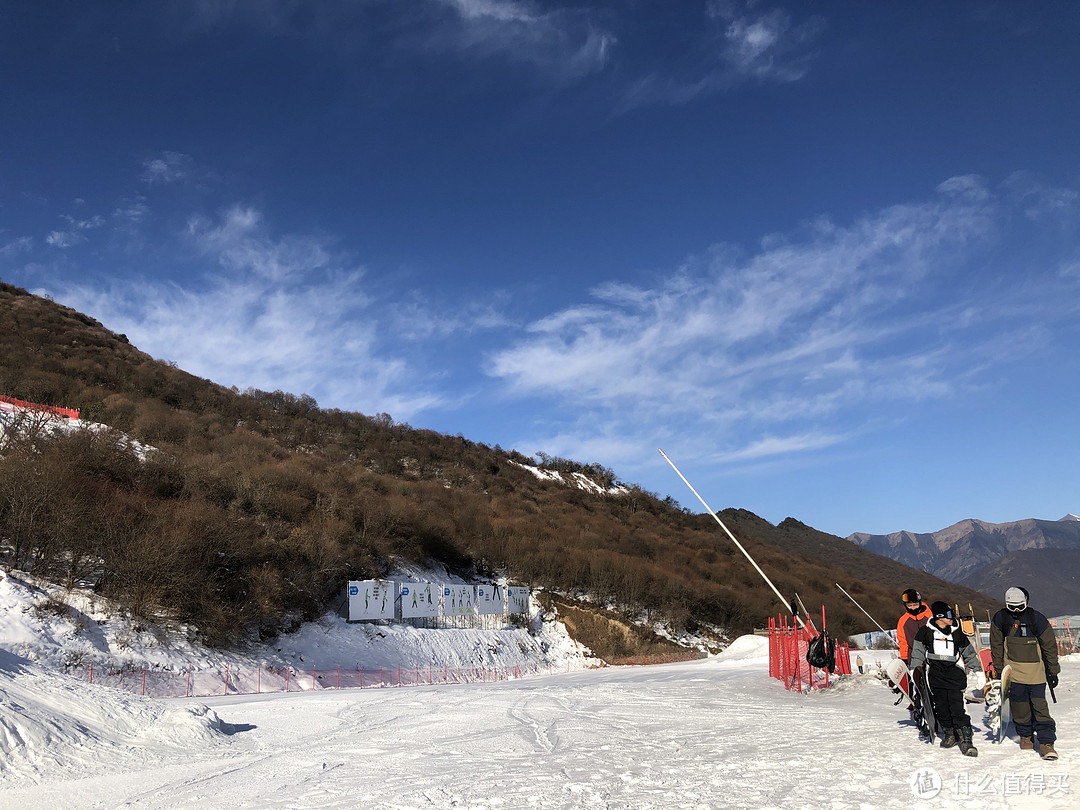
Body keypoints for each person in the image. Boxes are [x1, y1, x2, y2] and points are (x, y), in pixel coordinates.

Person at [989, 586, 1061, 760]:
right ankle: (1025, 735)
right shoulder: (1000, 618)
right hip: (1013, 671)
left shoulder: (1037, 619)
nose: (1015, 611)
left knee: (1039, 706)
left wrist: (1053, 670)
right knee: (1019, 706)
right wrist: (999, 671)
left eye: (1019, 607)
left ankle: (1046, 742)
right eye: (1011, 607)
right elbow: (996, 646)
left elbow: (1049, 647)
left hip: (1036, 672)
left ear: (1026, 602)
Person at [909, 602, 983, 756]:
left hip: (954, 675)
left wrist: (978, 671)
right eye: (949, 616)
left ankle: (966, 739)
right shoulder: (925, 633)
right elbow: (917, 653)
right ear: (940, 617)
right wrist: (914, 671)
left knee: (957, 707)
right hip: (935, 675)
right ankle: (950, 734)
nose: (952, 618)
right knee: (941, 707)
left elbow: (968, 653)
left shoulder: (956, 632)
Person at [897, 589, 933, 665]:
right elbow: (902, 640)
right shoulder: (903, 620)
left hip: (932, 655)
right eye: (909, 606)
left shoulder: (930, 617)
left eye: (915, 605)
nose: (913, 608)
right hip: (914, 657)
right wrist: (904, 658)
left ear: (920, 603)